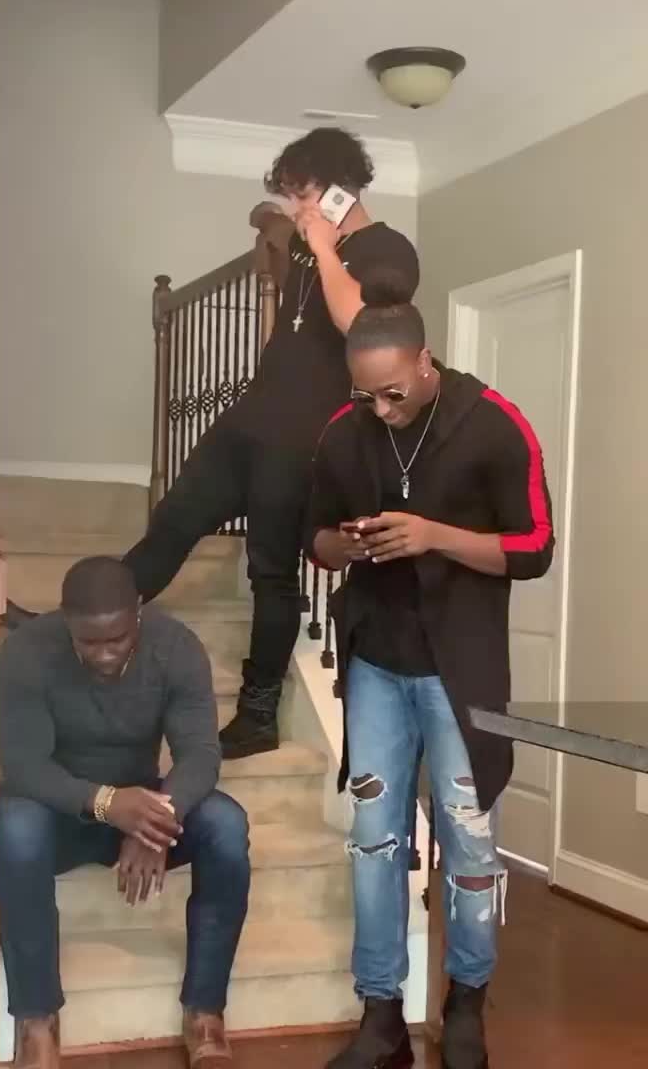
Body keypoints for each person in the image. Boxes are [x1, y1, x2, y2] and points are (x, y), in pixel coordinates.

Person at [305, 272, 554, 1069]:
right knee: (374, 841)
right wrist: (345, 545)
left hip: (463, 674)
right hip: (376, 663)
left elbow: (535, 549)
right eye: (365, 395)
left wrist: (432, 536)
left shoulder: (495, 424)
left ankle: (467, 1002)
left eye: (392, 393)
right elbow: (314, 538)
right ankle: (381, 1016)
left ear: (424, 361)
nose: (379, 410)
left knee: (470, 844)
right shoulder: (344, 432)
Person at [122, 127, 419, 760]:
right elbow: (272, 225)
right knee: (174, 519)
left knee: (271, 571)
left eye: (304, 193)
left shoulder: (387, 250)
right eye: (292, 195)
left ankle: (258, 713)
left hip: (304, 437)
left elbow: (359, 323)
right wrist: (274, 219)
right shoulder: (303, 239)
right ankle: (83, 620)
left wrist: (323, 245)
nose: (297, 207)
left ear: (341, 189)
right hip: (250, 420)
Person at [0, 556, 250, 1069]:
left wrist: (156, 821)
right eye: (88, 642)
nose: (105, 654)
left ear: (138, 610)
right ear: (65, 620)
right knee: (14, 828)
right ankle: (37, 1022)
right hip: (60, 811)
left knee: (226, 824)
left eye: (117, 639)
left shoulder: (175, 647)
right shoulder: (27, 651)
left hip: (141, 806)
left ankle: (205, 1012)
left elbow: (200, 754)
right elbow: (24, 767)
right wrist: (109, 804)